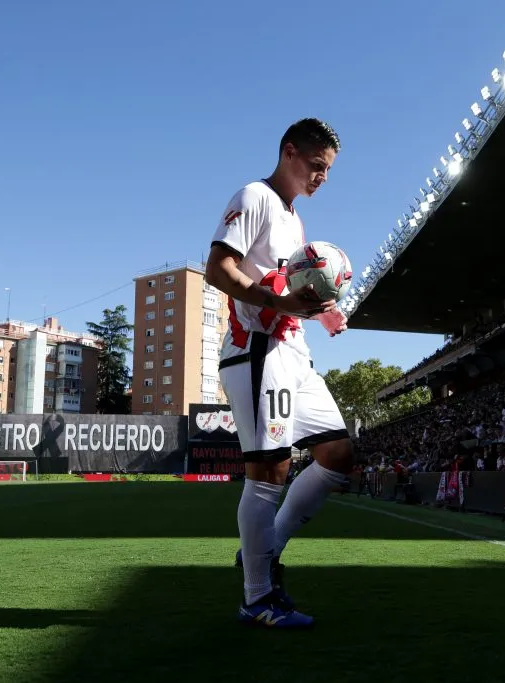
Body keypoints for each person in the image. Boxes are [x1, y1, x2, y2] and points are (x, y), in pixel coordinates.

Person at [205, 118, 354, 629]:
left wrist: (319, 308)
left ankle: (263, 553)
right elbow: (219, 269)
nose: (322, 178)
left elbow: (291, 288)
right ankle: (257, 598)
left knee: (337, 453)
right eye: (317, 166)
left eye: (327, 170)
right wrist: (277, 300)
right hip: (257, 350)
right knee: (269, 470)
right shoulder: (256, 197)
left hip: (293, 351)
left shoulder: (294, 221)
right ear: (289, 152)